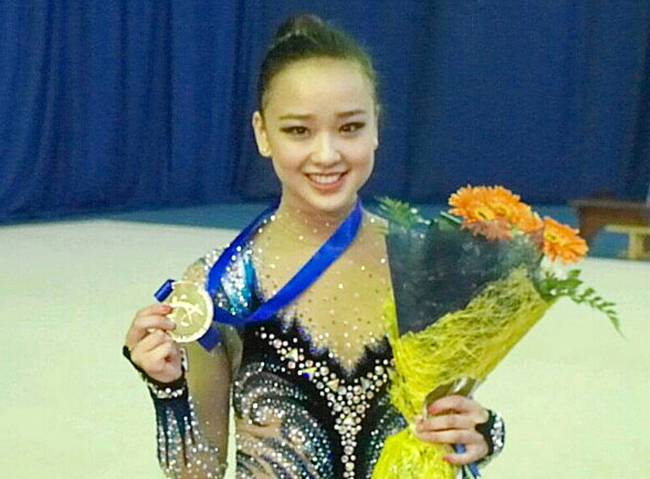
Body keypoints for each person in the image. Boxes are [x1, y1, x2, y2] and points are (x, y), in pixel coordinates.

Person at [123, 15, 504, 479]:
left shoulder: (426, 262)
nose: (327, 155)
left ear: (376, 127)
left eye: (349, 128)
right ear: (263, 133)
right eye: (299, 131)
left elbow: (443, 430)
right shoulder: (220, 286)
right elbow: (196, 472)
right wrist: (167, 390)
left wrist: (483, 432)